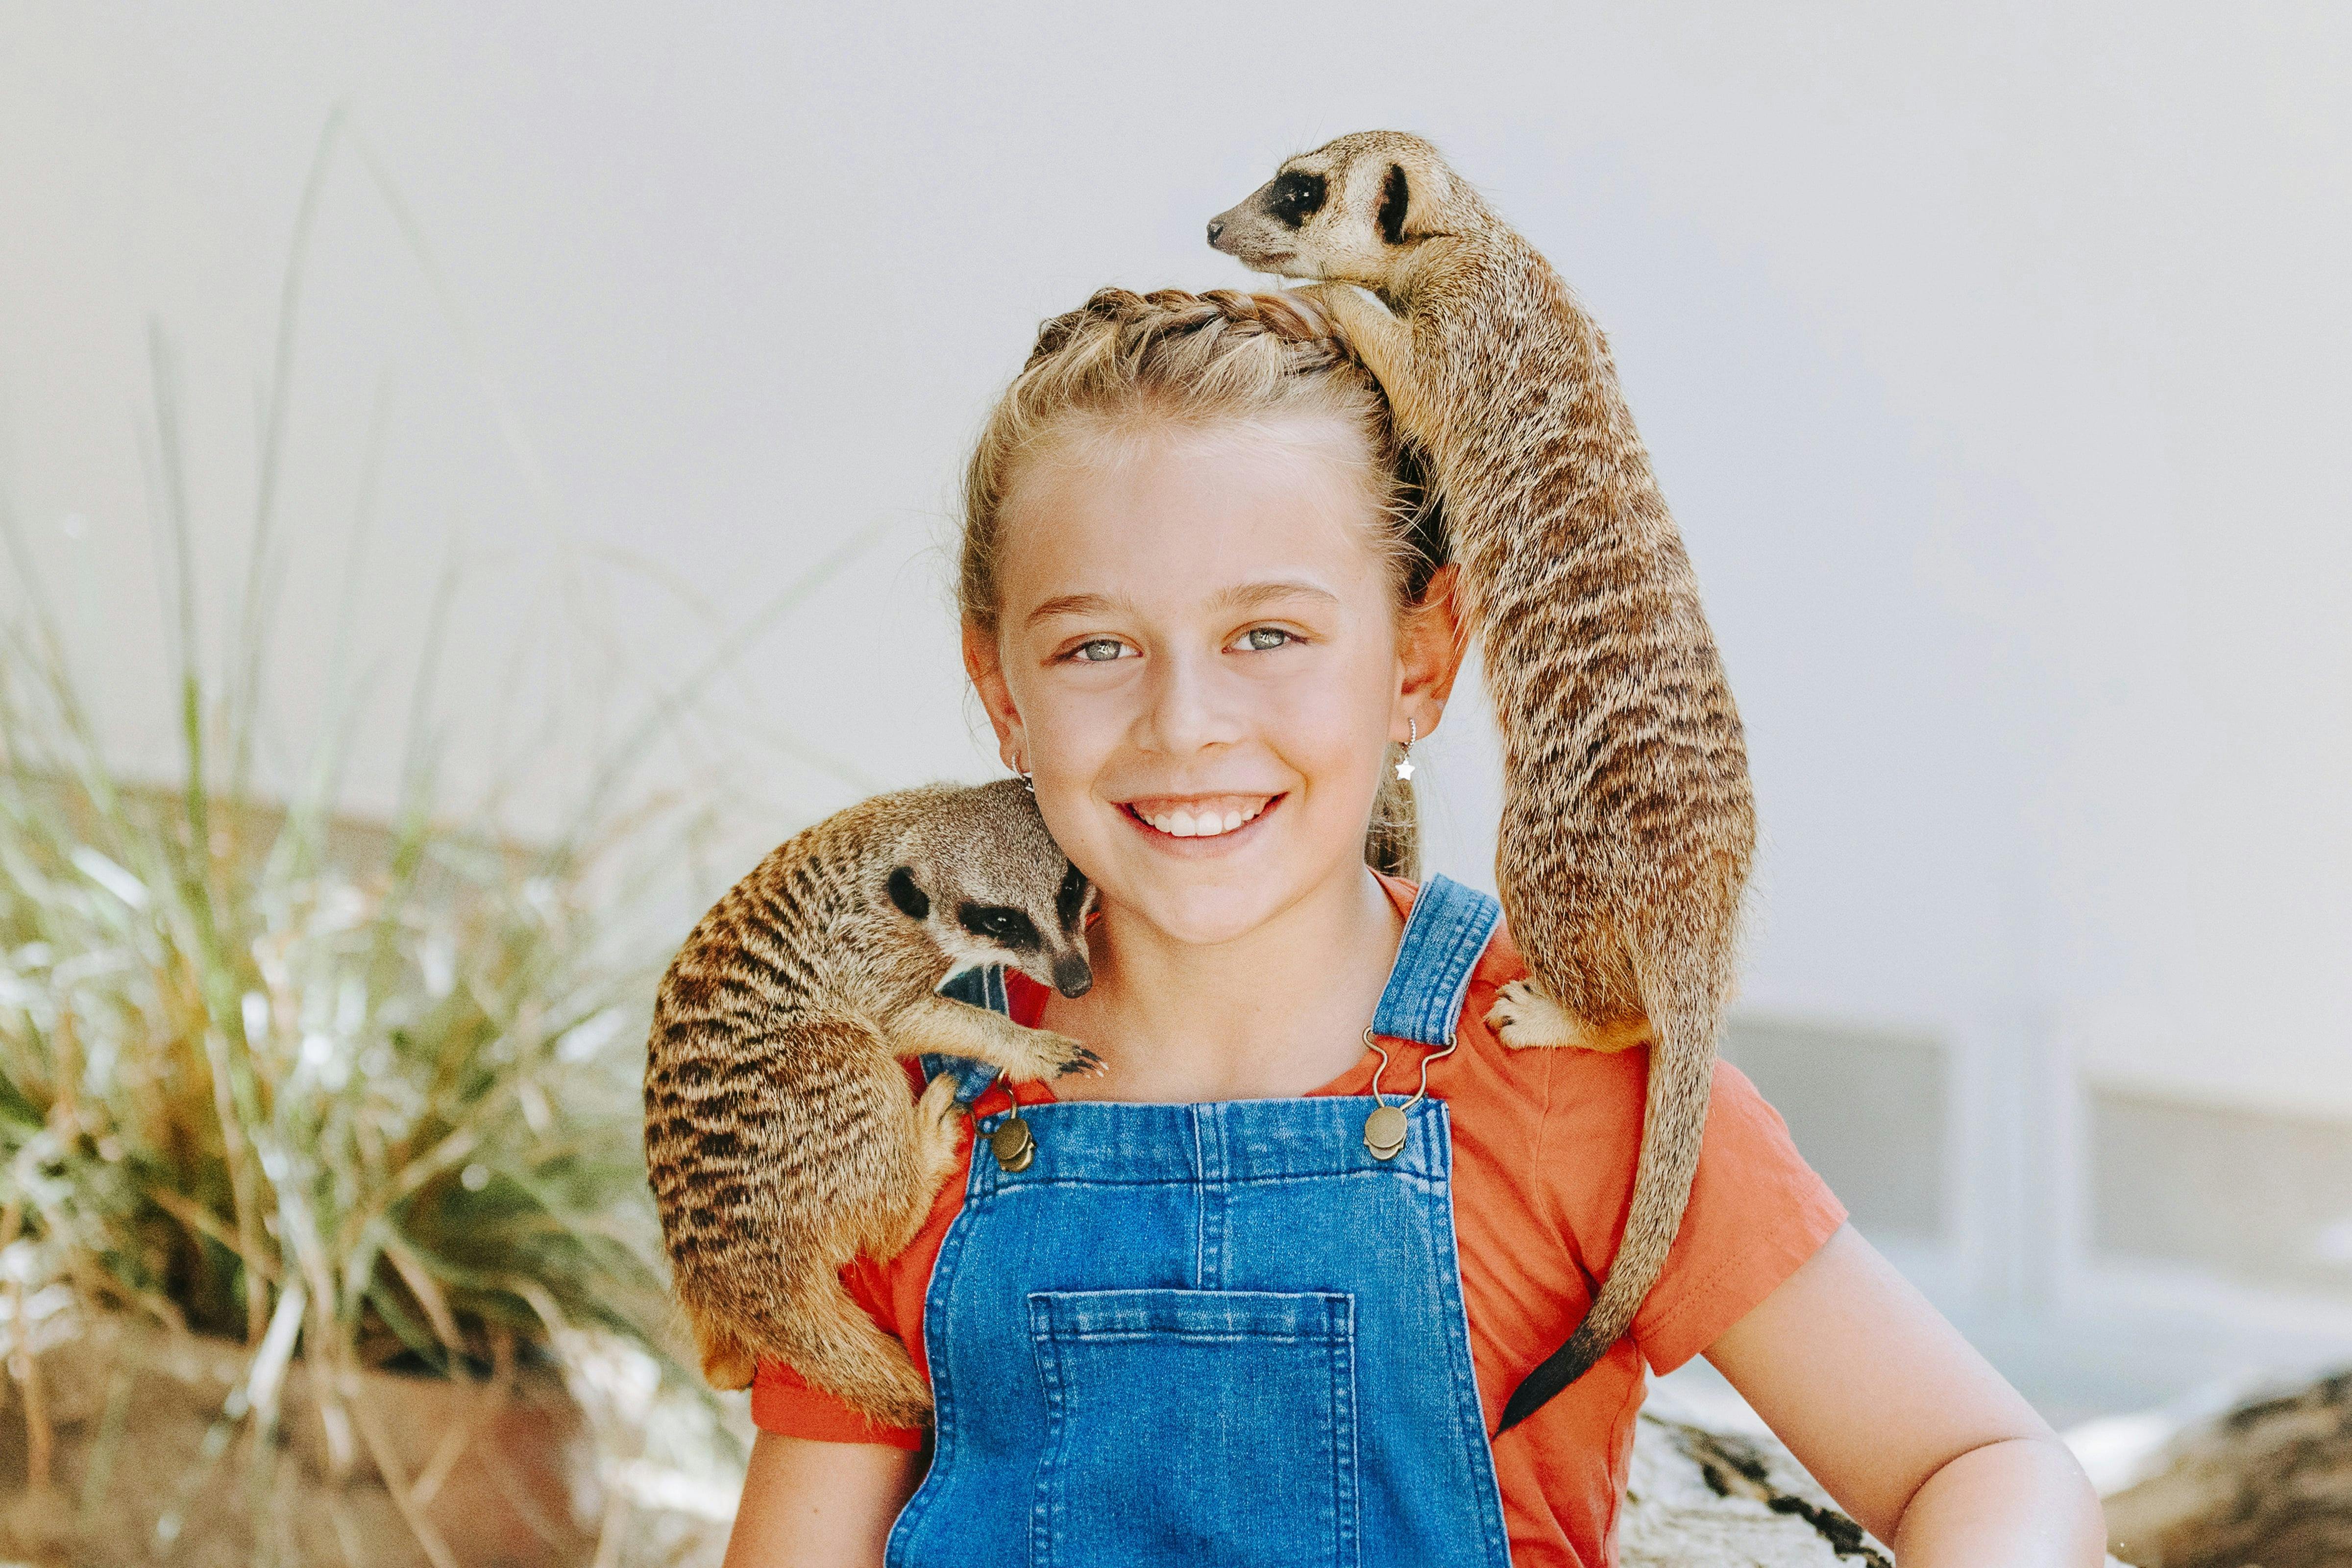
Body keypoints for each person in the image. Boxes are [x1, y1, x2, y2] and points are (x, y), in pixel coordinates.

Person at [721, 287, 2107, 1567]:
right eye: (1097, 647)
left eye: (1270, 635)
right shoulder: (903, 1115)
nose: (1187, 722)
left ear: (1424, 660)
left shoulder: (1564, 1080)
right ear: (1001, 687)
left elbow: (1982, 1461)